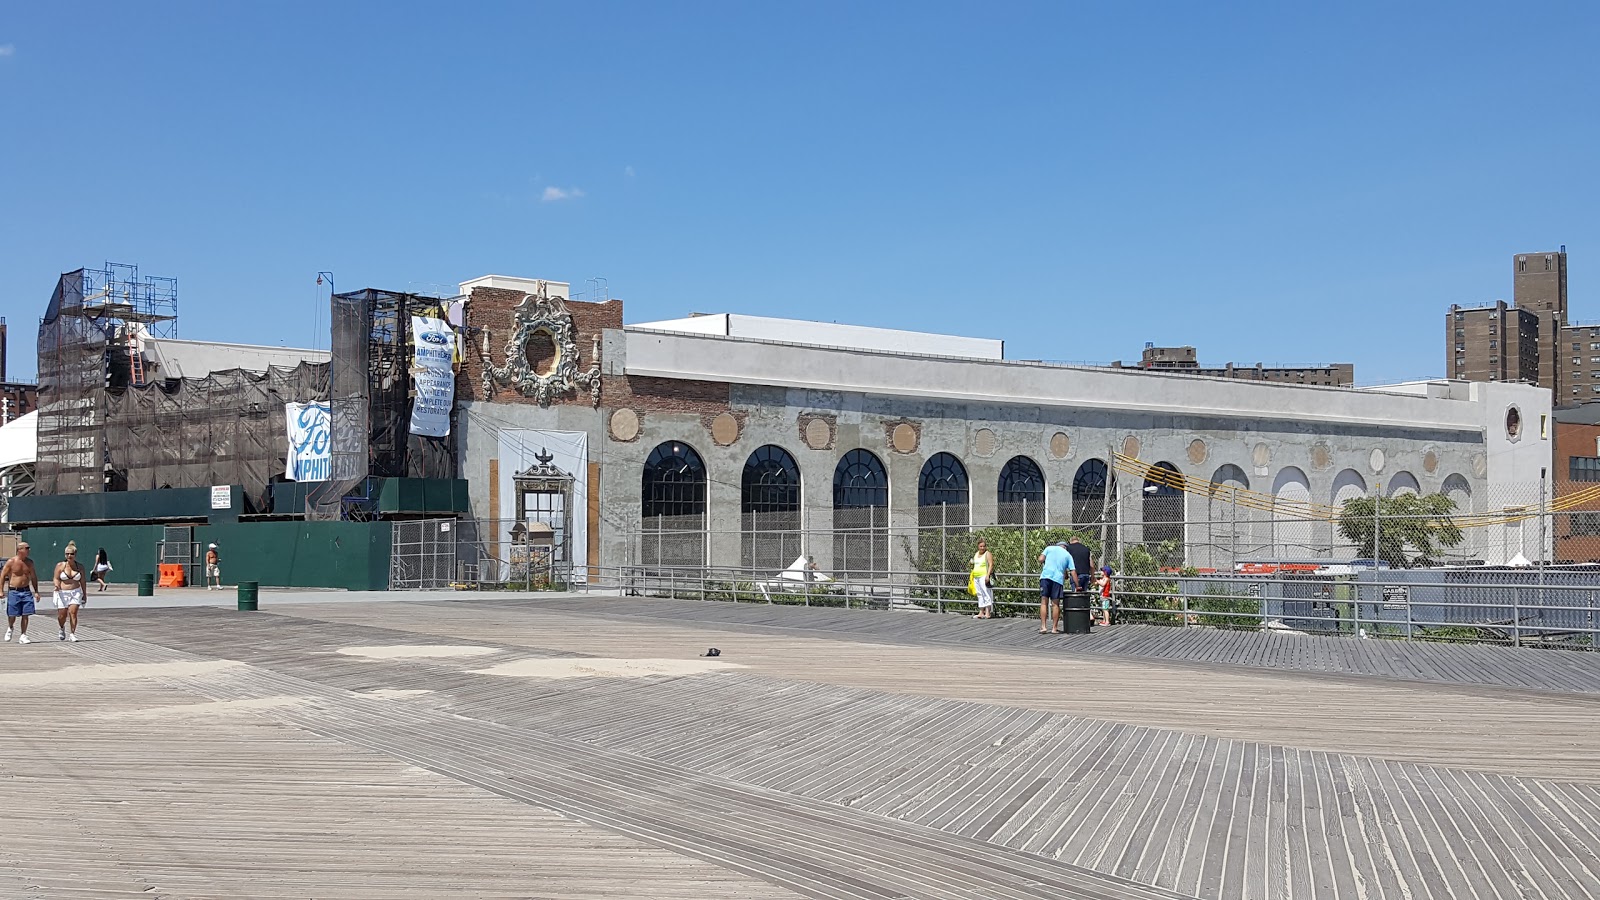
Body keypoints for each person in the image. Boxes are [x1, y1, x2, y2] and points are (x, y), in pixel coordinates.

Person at [3, 541, 40, 644]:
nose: (29, 550)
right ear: (20, 550)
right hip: (14, 591)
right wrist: (1, 590)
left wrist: (36, 591)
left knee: (26, 613)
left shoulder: (30, 563)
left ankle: (23, 634)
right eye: (26, 548)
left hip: (26, 590)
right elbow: (2, 576)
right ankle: (10, 627)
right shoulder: (11, 562)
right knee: (12, 614)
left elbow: (33, 577)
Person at [1037, 540, 1076, 634]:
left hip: (1046, 577)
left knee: (1044, 602)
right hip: (1057, 580)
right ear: (1065, 547)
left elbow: (1040, 559)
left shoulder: (1049, 548)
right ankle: (1054, 628)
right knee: (1055, 604)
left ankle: (1043, 627)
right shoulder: (1067, 555)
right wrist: (1077, 585)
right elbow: (1072, 571)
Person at [52, 541, 86, 642]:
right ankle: (62, 627)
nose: (69, 556)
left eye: (72, 554)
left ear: (75, 554)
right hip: (62, 593)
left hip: (75, 592)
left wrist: (84, 594)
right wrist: (57, 585)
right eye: (67, 554)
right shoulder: (60, 565)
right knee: (62, 615)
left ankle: (72, 633)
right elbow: (56, 578)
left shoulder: (80, 567)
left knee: (73, 612)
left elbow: (83, 581)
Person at [969, 539, 996, 619]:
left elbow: (991, 564)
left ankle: (988, 612)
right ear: (978, 546)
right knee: (979, 593)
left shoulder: (987, 554)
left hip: (983, 576)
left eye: (984, 546)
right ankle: (981, 612)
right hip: (976, 576)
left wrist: (987, 575)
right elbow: (974, 564)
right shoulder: (976, 554)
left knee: (986, 593)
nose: (982, 548)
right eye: (981, 546)